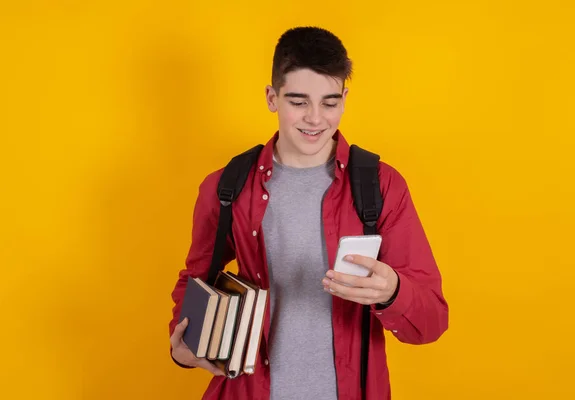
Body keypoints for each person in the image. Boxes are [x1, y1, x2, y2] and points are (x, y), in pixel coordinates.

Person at [168, 26, 448, 400]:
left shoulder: (381, 186)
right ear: (272, 97)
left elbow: (431, 322)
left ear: (345, 98)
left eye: (329, 103)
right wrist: (182, 345)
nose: (316, 119)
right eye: (299, 102)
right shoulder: (226, 186)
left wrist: (394, 291)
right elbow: (196, 279)